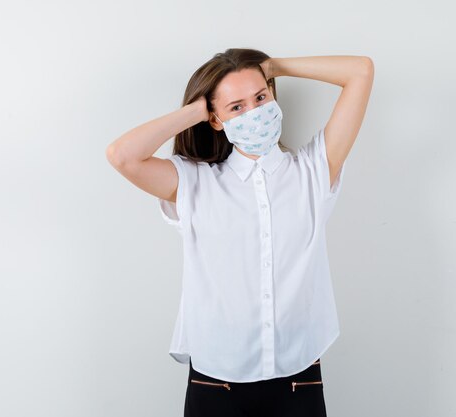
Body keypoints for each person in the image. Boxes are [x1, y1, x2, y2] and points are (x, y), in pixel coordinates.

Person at [107, 48, 374, 417]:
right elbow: (122, 156)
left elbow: (360, 71)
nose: (255, 113)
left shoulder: (312, 171)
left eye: (261, 97)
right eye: (237, 107)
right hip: (217, 380)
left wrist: (275, 67)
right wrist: (199, 110)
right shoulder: (194, 182)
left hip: (297, 376)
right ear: (217, 119)